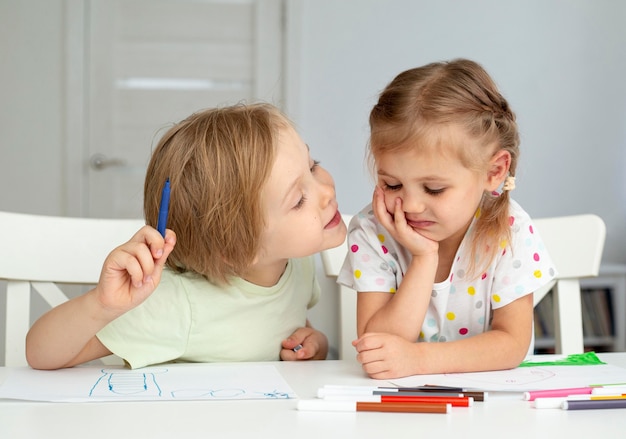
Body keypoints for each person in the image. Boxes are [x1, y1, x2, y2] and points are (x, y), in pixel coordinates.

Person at [26, 103, 347, 370]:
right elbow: (41, 355)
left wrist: (311, 340)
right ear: (237, 249)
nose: (327, 191)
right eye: (298, 200)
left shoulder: (296, 266)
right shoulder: (178, 303)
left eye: (313, 165)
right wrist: (100, 305)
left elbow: (279, 322)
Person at [337, 59, 556, 379]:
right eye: (392, 184)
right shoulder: (373, 232)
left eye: (434, 189)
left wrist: (420, 360)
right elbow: (379, 345)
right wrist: (424, 259)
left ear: (494, 172)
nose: (410, 205)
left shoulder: (510, 231)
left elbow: (512, 343)